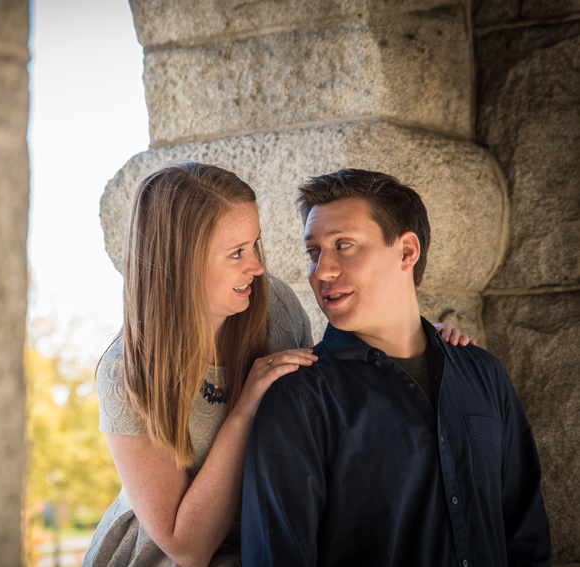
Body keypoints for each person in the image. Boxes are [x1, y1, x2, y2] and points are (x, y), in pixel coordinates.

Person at [83, 162, 471, 567]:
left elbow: (330, 386)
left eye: (255, 245)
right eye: (236, 254)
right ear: (180, 262)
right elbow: (186, 547)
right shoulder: (125, 372)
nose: (257, 266)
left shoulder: (274, 306)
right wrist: (246, 409)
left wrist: (419, 344)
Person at [241, 169, 551, 567]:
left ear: (407, 252)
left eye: (344, 245)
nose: (322, 272)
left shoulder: (484, 374)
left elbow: (527, 540)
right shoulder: (298, 399)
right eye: (313, 252)